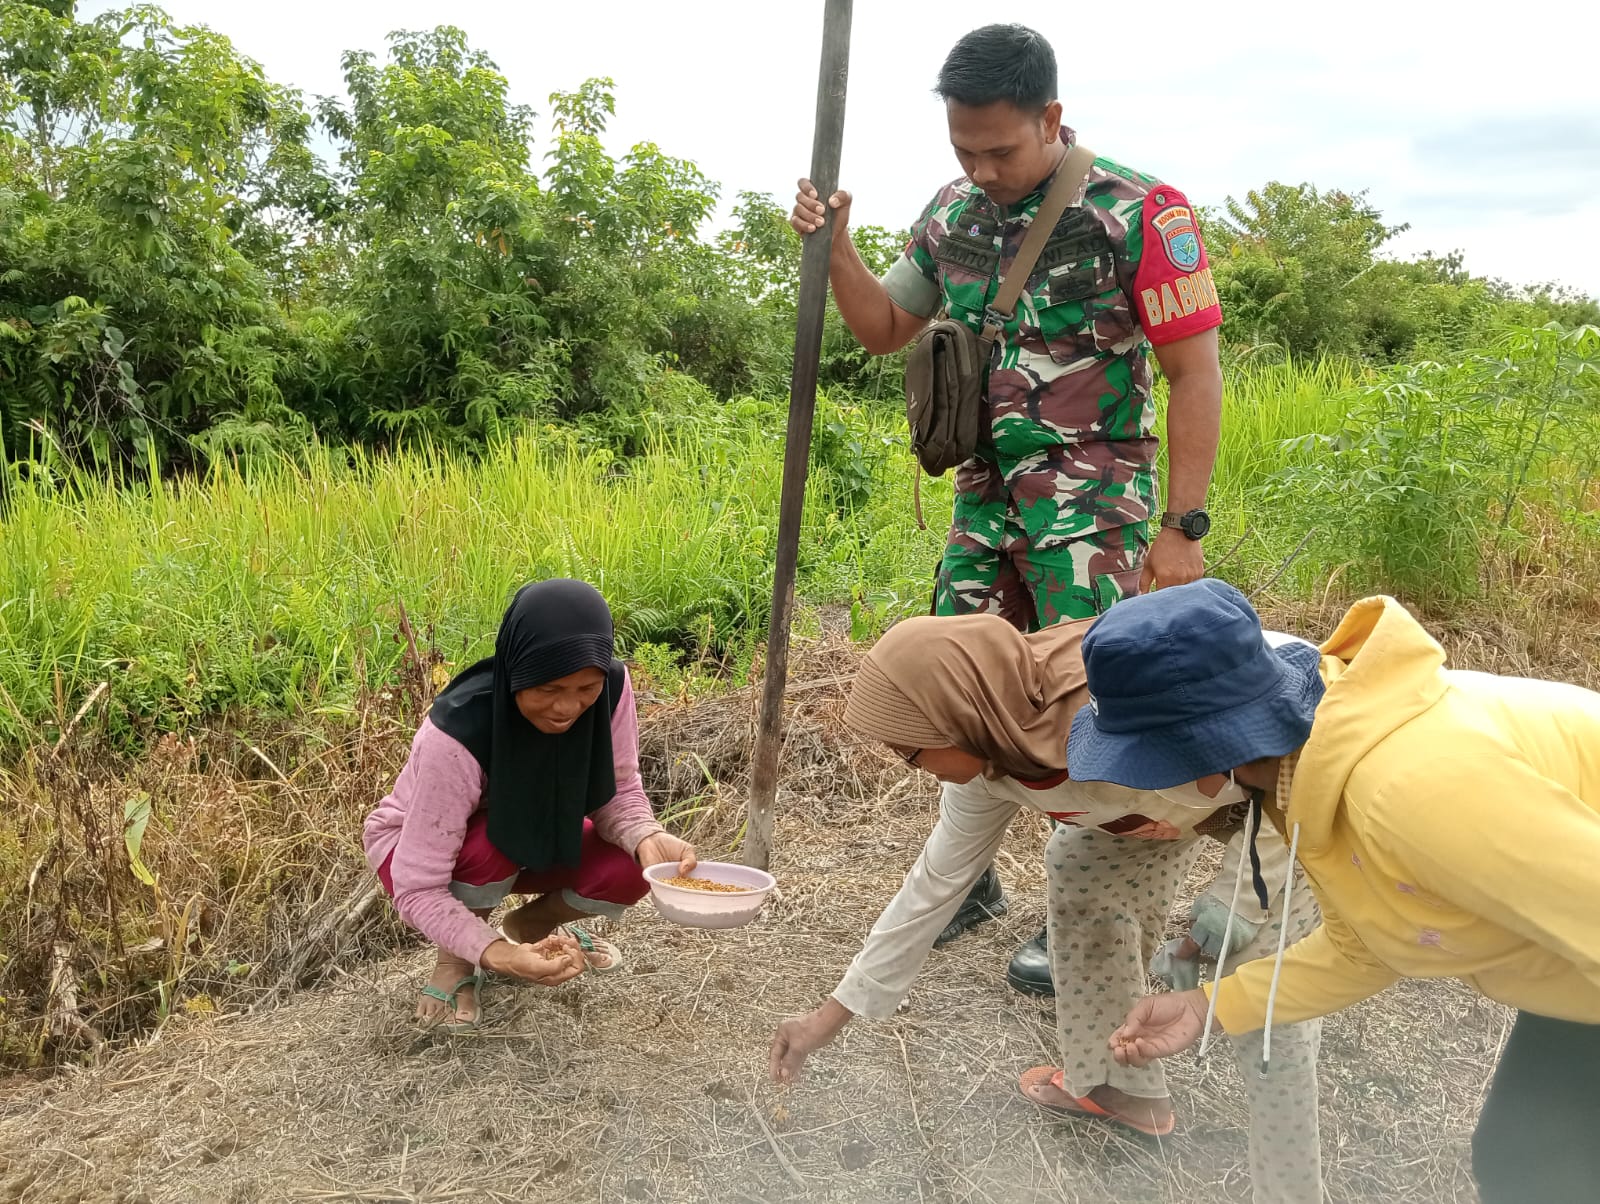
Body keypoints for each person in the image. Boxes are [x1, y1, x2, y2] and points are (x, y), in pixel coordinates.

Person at [790, 23, 1225, 991]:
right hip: (985, 497)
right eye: (964, 150)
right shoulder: (951, 212)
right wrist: (838, 246)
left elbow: (1194, 374)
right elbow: (879, 327)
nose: (982, 169)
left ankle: (1079, 913)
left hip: (1094, 499)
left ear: (1051, 119)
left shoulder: (1141, 212)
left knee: (1094, 708)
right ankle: (973, 880)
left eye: (1000, 149)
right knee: (953, 686)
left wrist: (1180, 528)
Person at [1068, 578, 1600, 1203]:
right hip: (1577, 972)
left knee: (1536, 1170)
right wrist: (1206, 1007)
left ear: (1199, 755)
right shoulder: (1309, 773)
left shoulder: (1406, 793)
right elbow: (1370, 943)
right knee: (1527, 1156)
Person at [769, 614, 1324, 1203]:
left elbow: (1286, 762)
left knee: (1268, 1010)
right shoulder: (994, 751)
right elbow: (933, 887)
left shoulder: (1116, 713)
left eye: (912, 751)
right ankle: (1118, 1086)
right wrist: (826, 1019)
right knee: (1079, 866)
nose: (913, 767)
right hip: (1172, 796)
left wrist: (1233, 899)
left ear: (960, 714)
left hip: (1285, 772)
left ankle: (1291, 1190)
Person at [363, 579, 696, 1030]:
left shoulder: (613, 689)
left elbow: (619, 790)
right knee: (493, 846)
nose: (568, 707)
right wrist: (500, 960)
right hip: (422, 849)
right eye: (548, 688)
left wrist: (647, 835)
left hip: (537, 826)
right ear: (516, 670)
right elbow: (418, 887)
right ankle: (457, 962)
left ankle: (527, 930)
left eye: (585, 688)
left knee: (629, 864)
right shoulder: (457, 732)